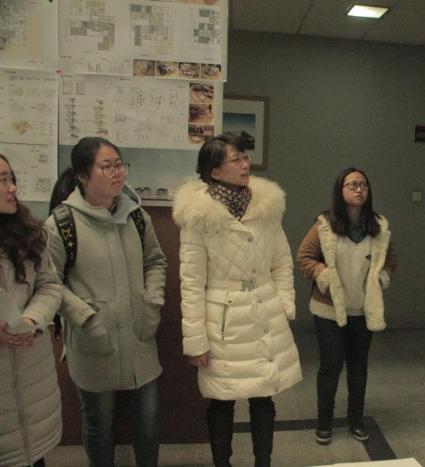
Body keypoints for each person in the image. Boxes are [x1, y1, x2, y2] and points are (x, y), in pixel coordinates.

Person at [172, 134, 301, 467]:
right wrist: (195, 340)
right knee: (221, 400)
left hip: (263, 311)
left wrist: (284, 304)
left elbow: (282, 261)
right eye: (236, 159)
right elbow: (191, 282)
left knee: (263, 397)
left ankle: (263, 463)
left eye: (245, 157)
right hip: (223, 319)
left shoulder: (266, 205)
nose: (245, 165)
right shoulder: (198, 215)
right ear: (215, 171)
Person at [45, 137, 167, 467]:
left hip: (140, 336)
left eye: (120, 165)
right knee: (99, 424)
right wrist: (86, 317)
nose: (118, 173)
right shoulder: (61, 224)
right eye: (107, 166)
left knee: (149, 423)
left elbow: (155, 262)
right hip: (93, 341)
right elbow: (49, 284)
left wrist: (152, 301)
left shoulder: (137, 216)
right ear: (83, 176)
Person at [297, 167, 398, 446]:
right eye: (352, 184)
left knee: (358, 367)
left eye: (363, 184)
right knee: (331, 366)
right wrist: (323, 275)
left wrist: (381, 278)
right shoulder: (324, 224)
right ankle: (324, 422)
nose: (359, 189)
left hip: (363, 311)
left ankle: (356, 421)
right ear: (340, 190)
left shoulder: (379, 226)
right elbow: (304, 256)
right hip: (329, 310)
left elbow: (390, 260)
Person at [0, 155, 63, 467]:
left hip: (30, 376)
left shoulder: (30, 233)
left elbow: (50, 285)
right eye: (2, 181)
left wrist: (31, 319)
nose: (12, 188)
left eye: (12, 179)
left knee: (31, 454)